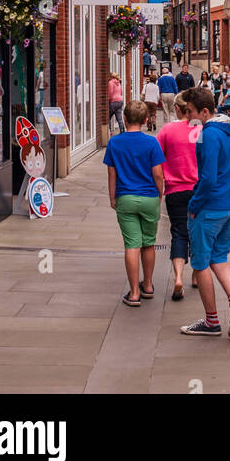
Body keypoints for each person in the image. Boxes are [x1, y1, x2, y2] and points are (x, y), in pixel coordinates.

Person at [181, 86, 230, 337]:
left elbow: (207, 178)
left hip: (208, 209)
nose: (188, 117)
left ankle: (211, 322)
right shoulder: (228, 132)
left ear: (205, 111)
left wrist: (194, 205)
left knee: (200, 263)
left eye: (190, 112)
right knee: (219, 258)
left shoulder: (208, 134)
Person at [103, 98, 165, 307]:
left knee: (132, 245)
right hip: (149, 197)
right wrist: (160, 193)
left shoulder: (114, 143)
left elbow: (112, 175)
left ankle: (135, 293)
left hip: (125, 197)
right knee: (148, 243)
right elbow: (158, 173)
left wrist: (112, 197)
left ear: (125, 118)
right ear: (146, 119)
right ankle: (148, 285)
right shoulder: (151, 143)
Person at [156, 91, 199, 300]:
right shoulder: (199, 130)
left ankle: (179, 277)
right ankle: (198, 276)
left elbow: (155, 159)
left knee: (179, 233)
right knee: (198, 234)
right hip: (198, 190)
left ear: (177, 109)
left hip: (175, 190)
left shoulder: (167, 130)